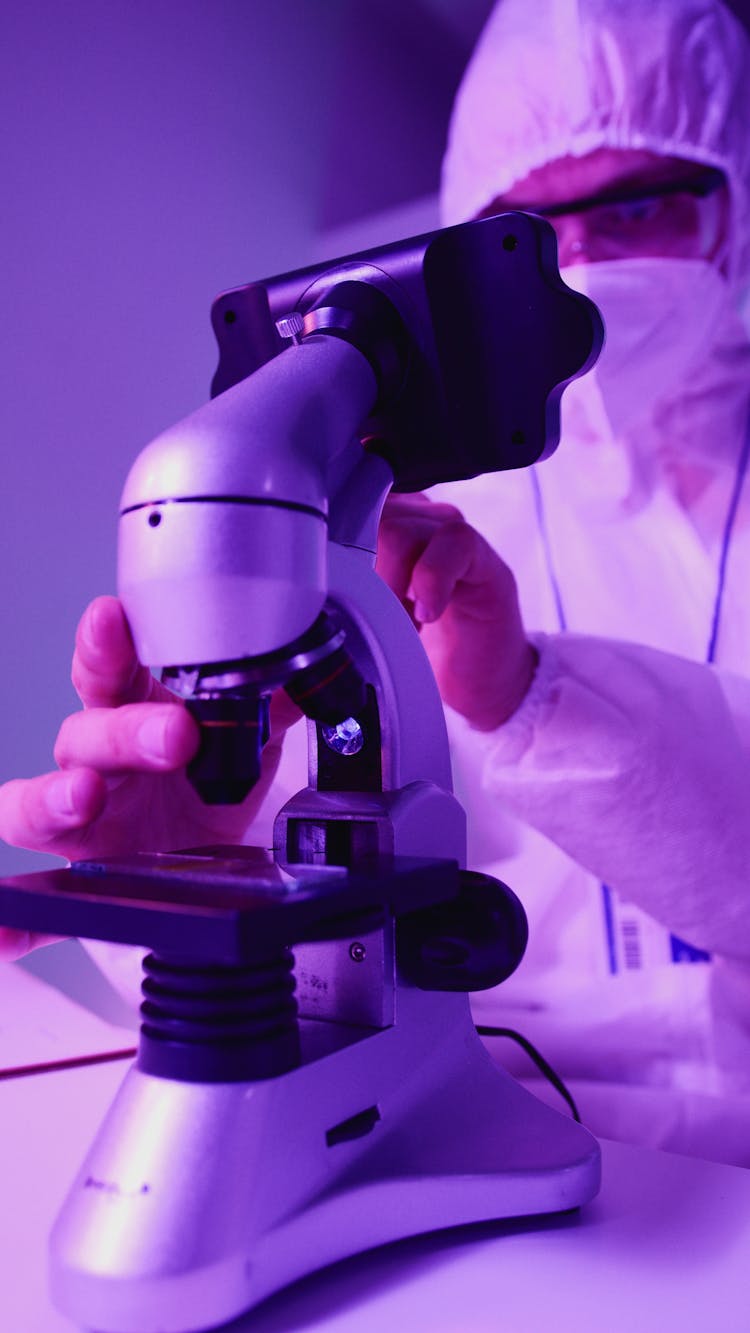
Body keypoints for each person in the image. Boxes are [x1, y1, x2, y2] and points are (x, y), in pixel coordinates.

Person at [2, 0, 750, 1164]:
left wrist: (526, 694)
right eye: (529, 233)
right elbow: (296, 958)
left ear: (735, 209)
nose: (589, 261)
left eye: (642, 201)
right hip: (505, 1119)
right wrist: (184, 852)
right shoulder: (398, 534)